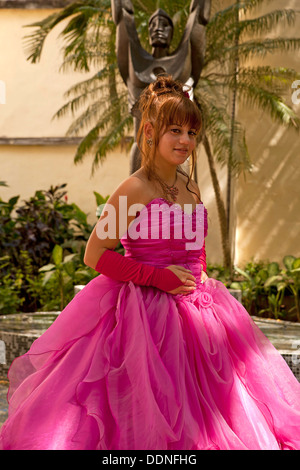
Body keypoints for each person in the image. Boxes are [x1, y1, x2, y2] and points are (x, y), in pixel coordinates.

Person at [1, 75, 300, 450]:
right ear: (149, 131)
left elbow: (197, 248)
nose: (185, 141)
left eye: (192, 132)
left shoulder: (190, 186)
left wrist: (200, 278)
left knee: (219, 411)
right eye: (175, 130)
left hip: (201, 312)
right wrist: (156, 277)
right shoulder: (133, 189)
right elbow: (95, 255)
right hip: (143, 314)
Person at [111, 0, 211, 172]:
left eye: (165, 25)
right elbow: (122, 17)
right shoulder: (134, 66)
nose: (158, 28)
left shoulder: (184, 67)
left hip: (177, 158)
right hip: (142, 152)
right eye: (153, 25)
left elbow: (198, 20)